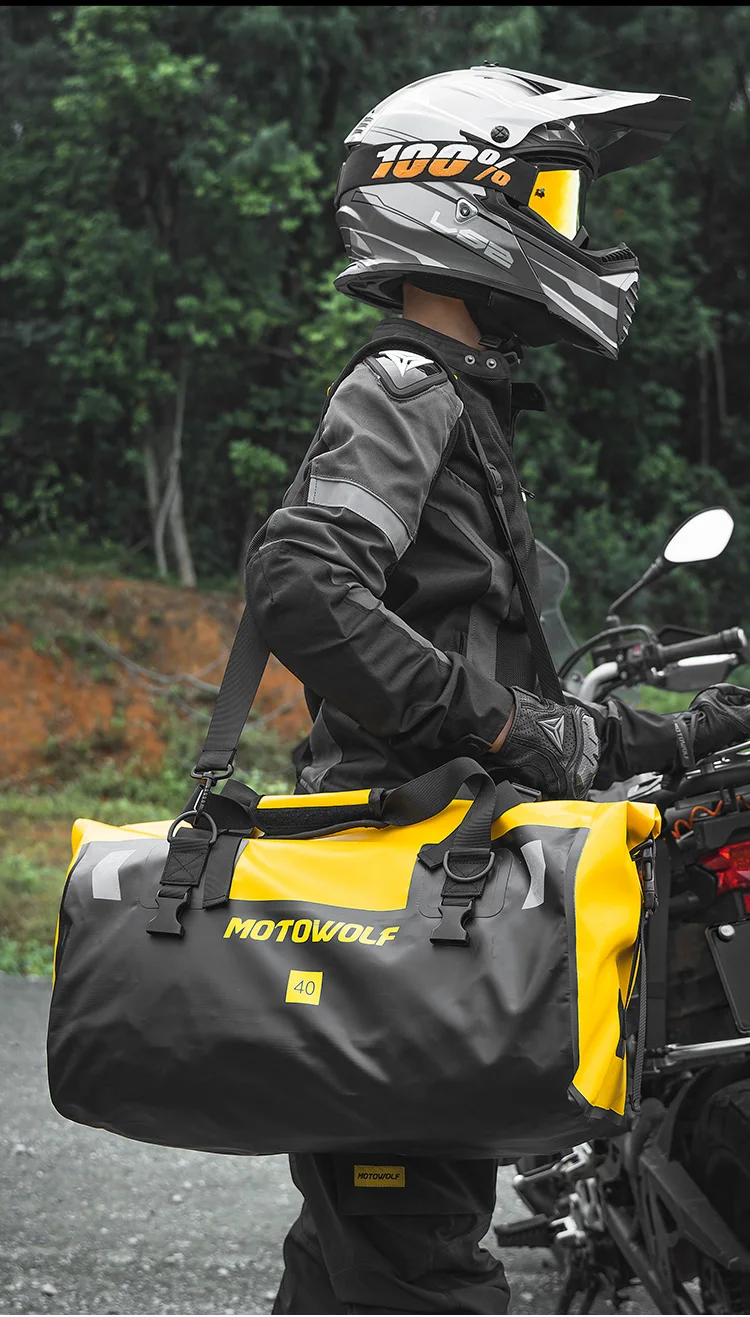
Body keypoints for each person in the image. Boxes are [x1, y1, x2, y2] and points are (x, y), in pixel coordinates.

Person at [246, 65, 750, 1315]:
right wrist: (513, 727)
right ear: (457, 198)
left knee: (361, 1256)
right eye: (551, 196)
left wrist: (673, 733)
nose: (572, 230)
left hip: (431, 893)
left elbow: (509, 699)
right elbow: (304, 586)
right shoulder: (404, 387)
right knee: (421, 1265)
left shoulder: (453, 401)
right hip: (403, 898)